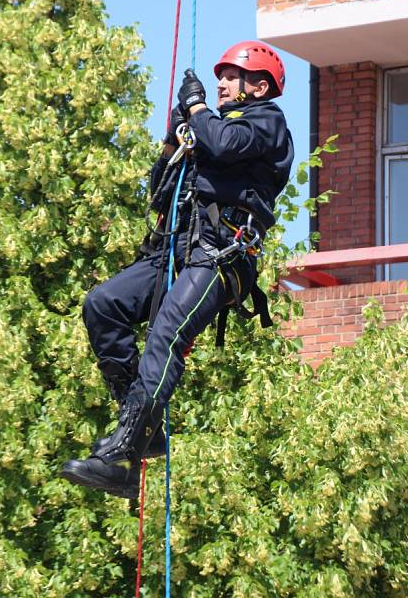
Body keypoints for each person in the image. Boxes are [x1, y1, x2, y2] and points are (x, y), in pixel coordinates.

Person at [61, 41, 294, 499]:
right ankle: (142, 430)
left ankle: (125, 449)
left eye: (232, 76)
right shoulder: (208, 132)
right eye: (219, 76)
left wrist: (198, 107)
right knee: (102, 304)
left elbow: (226, 144)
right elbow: (160, 190)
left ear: (259, 85)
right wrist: (175, 135)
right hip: (177, 249)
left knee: (166, 334)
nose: (222, 82)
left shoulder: (266, 123)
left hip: (219, 256)